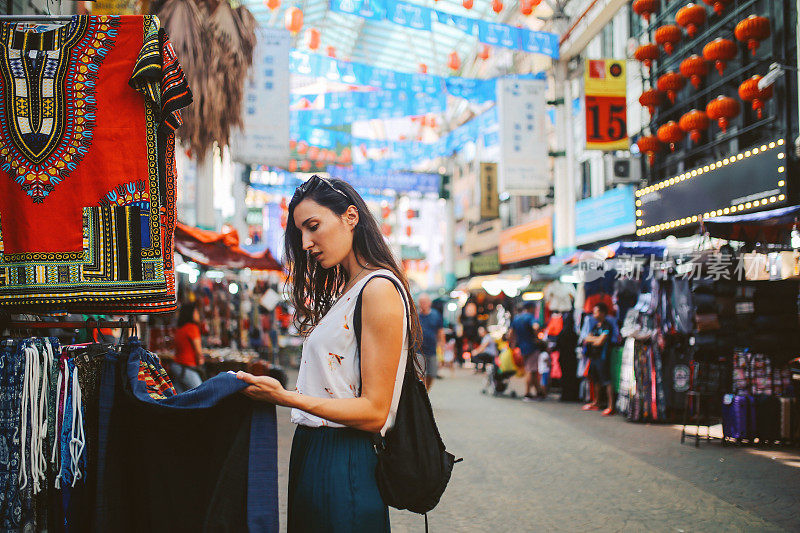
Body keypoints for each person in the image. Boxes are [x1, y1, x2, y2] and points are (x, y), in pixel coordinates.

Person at [234, 175, 422, 533]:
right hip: (315, 453)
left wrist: (286, 397)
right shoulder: (349, 290)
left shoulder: (379, 289)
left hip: (344, 458)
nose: (306, 243)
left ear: (351, 217)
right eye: (300, 233)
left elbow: (374, 411)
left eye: (313, 226)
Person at [582, 302, 615, 415]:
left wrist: (595, 339)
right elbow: (587, 338)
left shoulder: (607, 326)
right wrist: (595, 339)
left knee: (606, 381)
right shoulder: (596, 326)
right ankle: (597, 402)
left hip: (603, 357)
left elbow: (601, 342)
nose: (594, 314)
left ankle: (611, 405)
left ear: (602, 312)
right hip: (594, 357)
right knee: (595, 380)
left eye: (596, 311)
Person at [509, 302, 542, 401]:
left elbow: (511, 333)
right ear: (531, 308)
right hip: (532, 347)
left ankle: (539, 392)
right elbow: (535, 327)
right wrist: (537, 337)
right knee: (530, 370)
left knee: (532, 369)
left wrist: (512, 344)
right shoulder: (531, 318)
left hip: (522, 348)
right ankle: (527, 393)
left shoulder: (517, 318)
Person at [171, 302, 205, 390]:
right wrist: (201, 361)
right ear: (190, 313)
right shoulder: (192, 328)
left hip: (177, 366)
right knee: (200, 394)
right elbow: (198, 351)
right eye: (196, 312)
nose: (198, 314)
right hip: (186, 368)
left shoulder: (180, 329)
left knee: (179, 396)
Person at [418, 293, 444, 390]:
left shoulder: (436, 315)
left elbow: (441, 333)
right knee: (420, 376)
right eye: (421, 302)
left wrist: (442, 350)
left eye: (425, 302)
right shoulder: (415, 316)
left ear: (429, 303)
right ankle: (421, 396)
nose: (423, 304)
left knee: (431, 375)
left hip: (432, 351)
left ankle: (425, 394)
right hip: (418, 351)